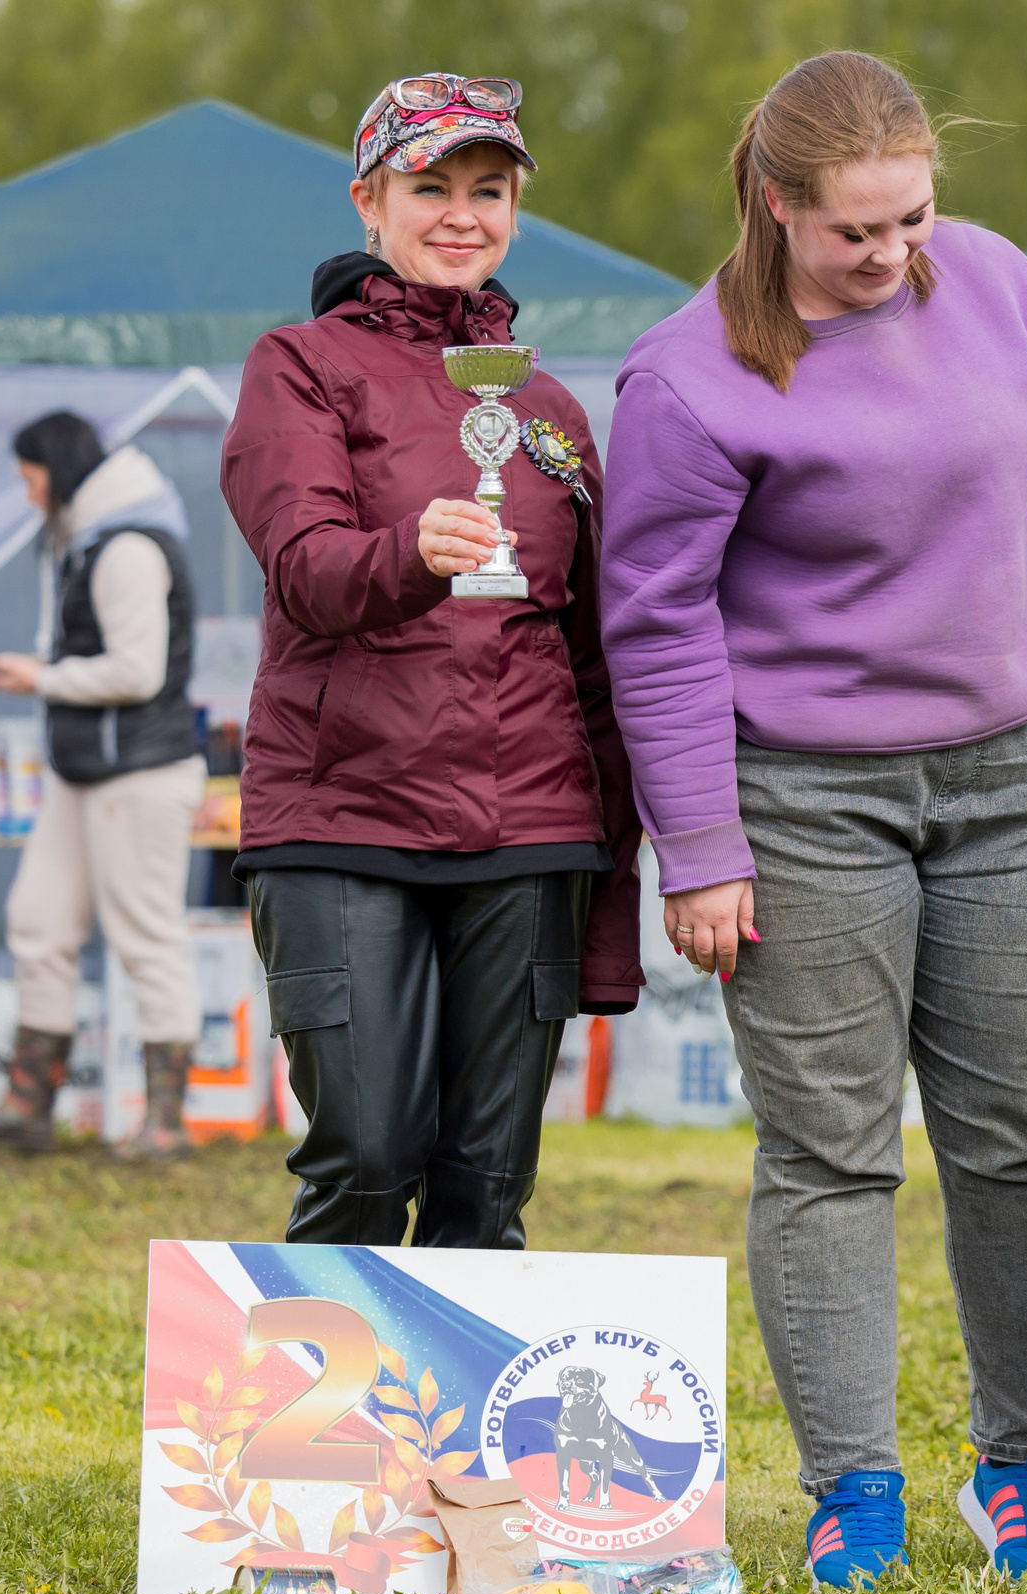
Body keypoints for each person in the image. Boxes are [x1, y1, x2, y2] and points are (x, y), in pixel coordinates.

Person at [600, 50, 1027, 1588]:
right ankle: (852, 1491)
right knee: (832, 1152)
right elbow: (656, 623)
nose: (892, 253)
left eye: (912, 218)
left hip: (1006, 781)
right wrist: (699, 848)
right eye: (856, 230)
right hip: (803, 797)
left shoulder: (996, 285)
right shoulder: (686, 379)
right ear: (776, 203)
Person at [219, 74, 642, 1249]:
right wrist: (411, 553)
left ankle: (456, 1383)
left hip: (530, 825)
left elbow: (594, 656)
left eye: (488, 190)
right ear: (368, 201)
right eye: (429, 186)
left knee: (486, 1186)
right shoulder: (297, 364)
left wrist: (615, 871)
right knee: (364, 1155)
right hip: (340, 813)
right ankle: (325, 1379)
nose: (462, 214)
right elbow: (305, 569)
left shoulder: (549, 409)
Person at [0, 410, 205, 1160]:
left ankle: (165, 1122)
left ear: (58, 471)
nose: (28, 495)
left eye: (30, 480)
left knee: (146, 938)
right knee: (37, 921)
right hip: (83, 770)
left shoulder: (127, 548)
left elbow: (139, 672)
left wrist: (43, 678)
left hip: (141, 773)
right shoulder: (92, 539)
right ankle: (27, 1106)